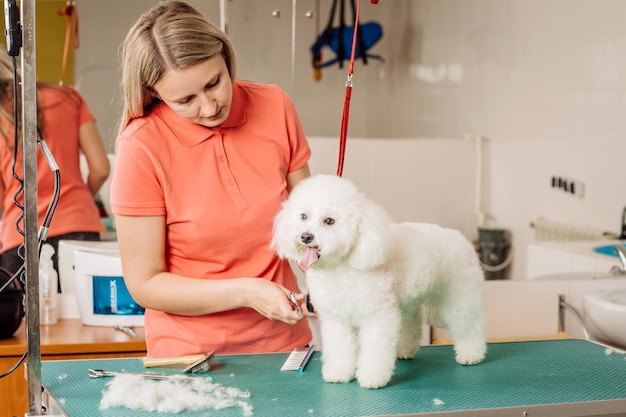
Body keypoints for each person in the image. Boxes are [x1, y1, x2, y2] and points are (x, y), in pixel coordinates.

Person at [110, 0, 313, 357]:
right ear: (154, 94)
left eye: (214, 83)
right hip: (190, 356)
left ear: (225, 55)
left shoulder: (275, 105)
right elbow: (145, 284)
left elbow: (310, 223)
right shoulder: (141, 146)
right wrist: (246, 291)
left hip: (284, 345)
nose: (209, 107)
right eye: (185, 100)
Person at [0, 53, 110, 286]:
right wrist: (78, 198)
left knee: (22, 321)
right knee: (82, 319)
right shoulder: (68, 97)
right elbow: (100, 168)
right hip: (79, 226)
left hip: (19, 239)